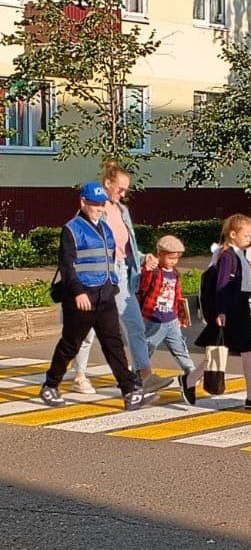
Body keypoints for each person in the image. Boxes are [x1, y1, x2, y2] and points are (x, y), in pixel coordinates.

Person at [39, 182, 158, 411]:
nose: (98, 208)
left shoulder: (105, 229)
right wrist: (78, 292)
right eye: (93, 204)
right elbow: (67, 266)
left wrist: (113, 286)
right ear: (82, 202)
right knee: (71, 344)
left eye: (101, 204)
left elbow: (111, 260)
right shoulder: (72, 229)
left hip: (105, 294)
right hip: (82, 298)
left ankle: (130, 392)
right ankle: (50, 386)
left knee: (113, 344)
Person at [71, 163, 174, 394]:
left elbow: (125, 247)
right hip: (95, 275)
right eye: (121, 188)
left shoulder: (122, 211)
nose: (123, 193)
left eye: (126, 189)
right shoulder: (92, 209)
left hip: (120, 274)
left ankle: (144, 374)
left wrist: (142, 257)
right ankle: (79, 375)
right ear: (107, 184)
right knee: (88, 329)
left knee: (134, 324)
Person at [195, 214, 251, 410]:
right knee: (225, 350)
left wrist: (249, 269)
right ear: (232, 234)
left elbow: (238, 280)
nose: (249, 239)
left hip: (239, 305)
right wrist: (221, 311)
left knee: (238, 350)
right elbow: (222, 285)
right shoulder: (228, 256)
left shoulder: (238, 253)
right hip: (232, 307)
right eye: (246, 235)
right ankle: (189, 380)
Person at [138, 235, 207, 405]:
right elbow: (143, 285)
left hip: (171, 320)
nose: (173, 262)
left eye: (176, 258)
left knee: (180, 349)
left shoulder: (175, 274)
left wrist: (180, 316)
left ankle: (191, 375)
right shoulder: (154, 272)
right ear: (159, 254)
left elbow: (177, 297)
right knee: (146, 349)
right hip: (154, 320)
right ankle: (137, 380)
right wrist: (147, 268)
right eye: (170, 258)